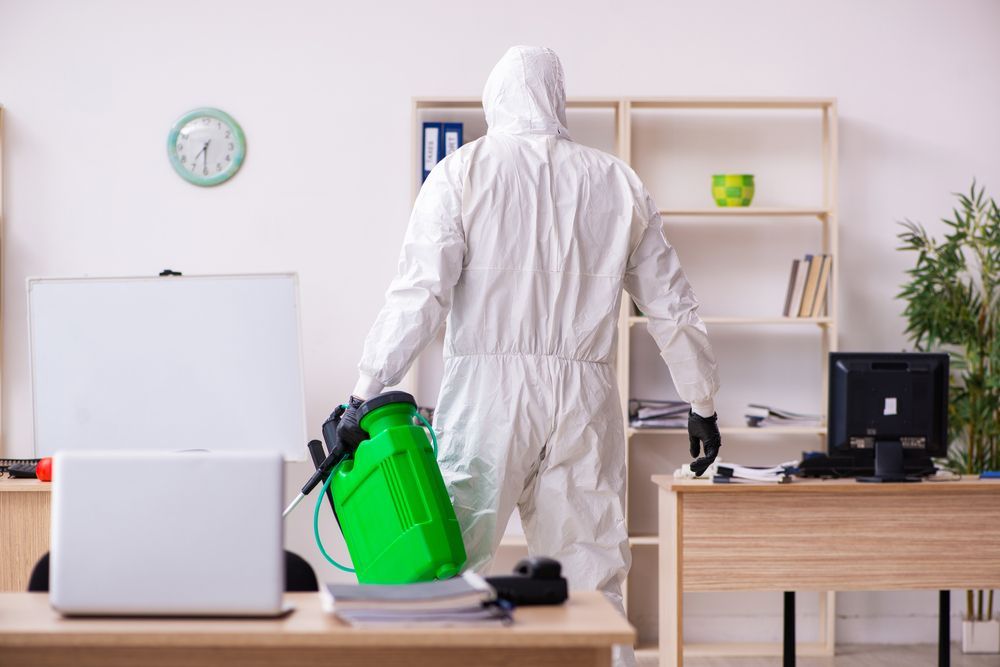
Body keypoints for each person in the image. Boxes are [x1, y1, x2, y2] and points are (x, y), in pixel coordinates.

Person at [338, 46, 721, 667]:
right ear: (558, 97)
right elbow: (672, 306)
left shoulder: (462, 172)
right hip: (586, 401)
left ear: (494, 98)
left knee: (447, 571)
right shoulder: (616, 181)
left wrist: (365, 389)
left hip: (488, 398)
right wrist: (701, 403)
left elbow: (419, 295)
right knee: (592, 580)